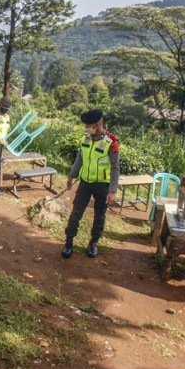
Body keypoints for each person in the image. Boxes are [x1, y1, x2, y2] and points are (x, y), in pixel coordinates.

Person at [61, 109, 119, 259]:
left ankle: (93, 243)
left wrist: (112, 191)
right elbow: (79, 158)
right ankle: (69, 242)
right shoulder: (85, 138)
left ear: (97, 124)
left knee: (99, 216)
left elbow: (115, 168)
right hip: (85, 183)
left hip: (102, 185)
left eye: (88, 125)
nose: (86, 127)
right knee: (76, 212)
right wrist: (72, 175)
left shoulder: (110, 143)